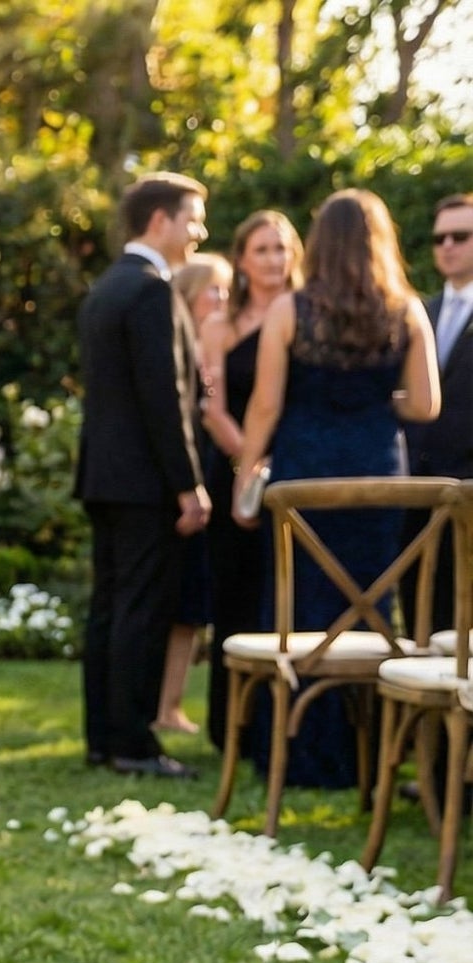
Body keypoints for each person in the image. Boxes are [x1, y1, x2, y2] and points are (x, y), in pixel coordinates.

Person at [232, 188, 442, 788]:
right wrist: (376, 400)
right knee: (371, 608)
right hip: (378, 477)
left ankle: (296, 753)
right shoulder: (405, 309)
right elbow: (426, 404)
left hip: (306, 475)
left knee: (300, 610)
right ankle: (367, 753)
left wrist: (246, 476)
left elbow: (266, 405)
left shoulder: (290, 311)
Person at [76, 172, 212, 778]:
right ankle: (133, 744)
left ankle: (103, 738)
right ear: (160, 220)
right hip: (144, 483)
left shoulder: (105, 288)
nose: (199, 231)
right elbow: (165, 397)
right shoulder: (152, 290)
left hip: (103, 477)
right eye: (193, 218)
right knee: (140, 611)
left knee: (108, 608)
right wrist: (189, 484)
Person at [199, 210, 304, 751]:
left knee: (286, 595)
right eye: (262, 249)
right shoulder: (220, 326)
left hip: (298, 472)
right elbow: (212, 408)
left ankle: (285, 724)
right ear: (241, 259)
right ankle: (232, 727)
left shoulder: (308, 318)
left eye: (281, 249)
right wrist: (249, 460)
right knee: (235, 596)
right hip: (235, 472)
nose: (273, 259)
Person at [156, 253, 233, 736]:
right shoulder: (179, 347)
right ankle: (162, 706)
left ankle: (172, 704)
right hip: (188, 479)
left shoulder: (222, 344)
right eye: (214, 290)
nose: (222, 300)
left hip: (217, 478)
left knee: (192, 606)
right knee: (176, 600)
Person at [400, 192, 473, 638]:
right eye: (439, 238)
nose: (447, 245)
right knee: (418, 622)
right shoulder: (417, 312)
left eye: (460, 236)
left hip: (470, 492)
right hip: (416, 493)